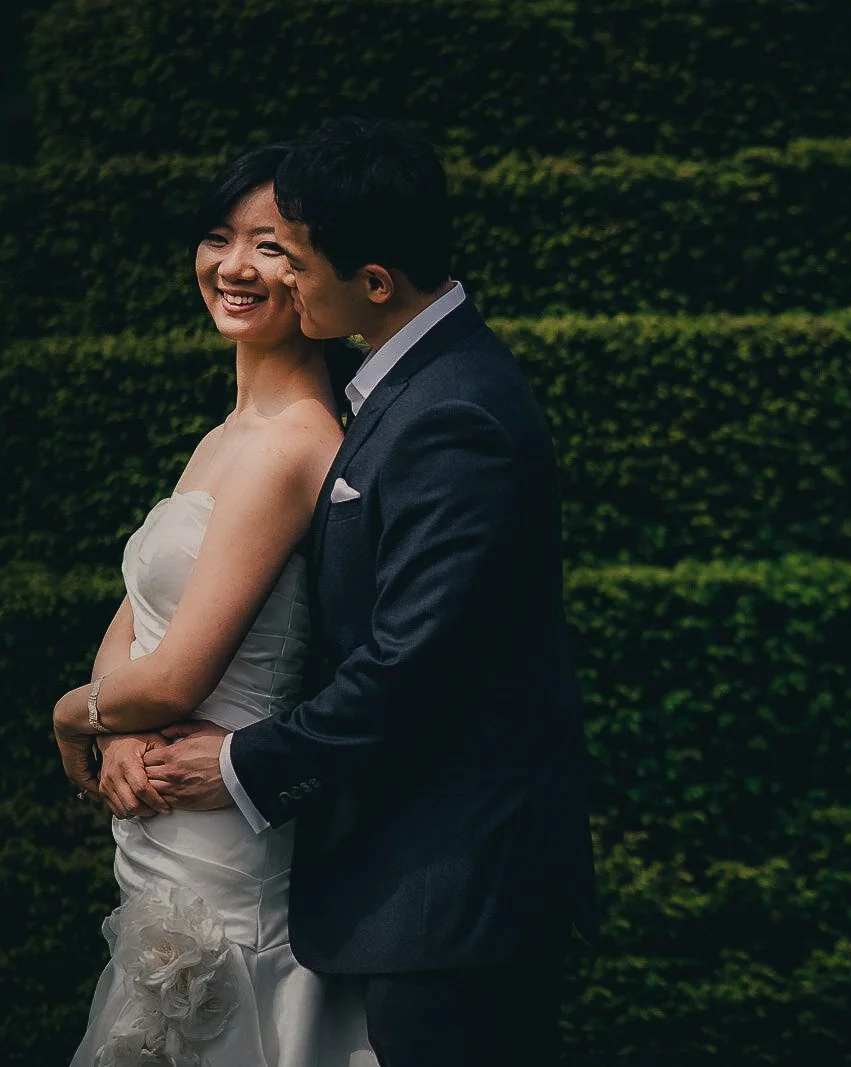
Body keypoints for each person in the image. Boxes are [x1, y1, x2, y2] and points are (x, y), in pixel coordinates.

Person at [133, 117, 597, 1065]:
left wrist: (240, 764)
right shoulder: (395, 386)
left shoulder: (453, 411)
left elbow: (413, 663)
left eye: (293, 258)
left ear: (374, 283)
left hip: (453, 896)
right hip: (397, 885)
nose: (276, 277)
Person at [53, 142, 377, 1065]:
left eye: (271, 246)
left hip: (221, 835)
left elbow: (178, 677)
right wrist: (113, 728)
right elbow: (140, 622)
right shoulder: (224, 436)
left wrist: (69, 716)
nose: (233, 266)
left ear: (318, 273)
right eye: (217, 237)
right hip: (162, 823)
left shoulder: (291, 444)